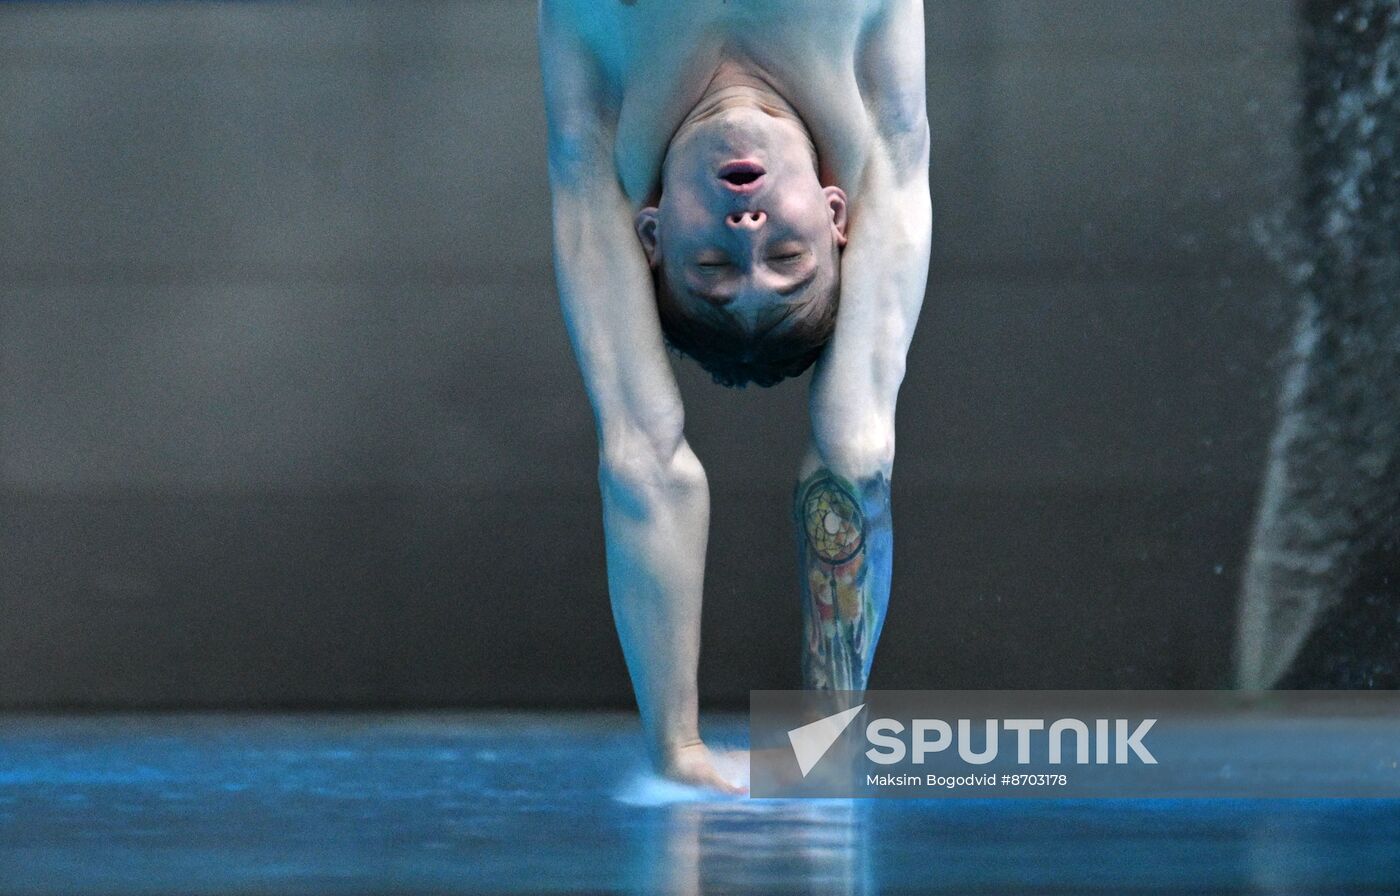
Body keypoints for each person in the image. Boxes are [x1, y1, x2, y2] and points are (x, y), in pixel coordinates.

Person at [538, 0, 930, 793]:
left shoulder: (596, 137)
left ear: (650, 236)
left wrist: (674, 749)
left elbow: (640, 453)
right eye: (788, 254)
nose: (747, 230)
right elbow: (857, 446)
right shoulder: (883, 140)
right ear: (835, 213)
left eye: (710, 266)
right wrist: (831, 738)